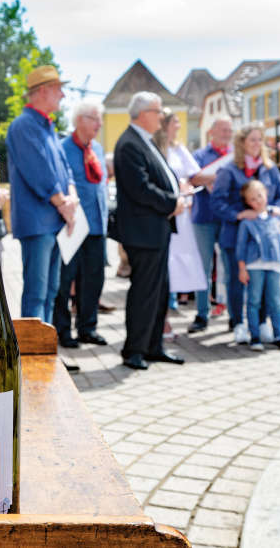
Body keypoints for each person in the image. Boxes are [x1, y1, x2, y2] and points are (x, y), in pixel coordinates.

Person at [113, 92, 184, 370]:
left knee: (159, 291)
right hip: (143, 231)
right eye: (158, 111)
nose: (162, 116)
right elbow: (140, 189)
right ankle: (134, 350)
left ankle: (154, 346)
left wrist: (177, 195)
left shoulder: (144, 141)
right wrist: (172, 202)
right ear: (144, 114)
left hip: (156, 229)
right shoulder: (130, 144)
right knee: (144, 292)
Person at [6, 65, 77, 323]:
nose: (63, 95)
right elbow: (39, 172)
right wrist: (63, 203)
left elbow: (64, 168)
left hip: (53, 221)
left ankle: (45, 352)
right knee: (37, 294)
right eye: (59, 89)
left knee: (50, 292)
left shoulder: (46, 126)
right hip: (38, 224)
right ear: (43, 91)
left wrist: (71, 197)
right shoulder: (24, 125)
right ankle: (32, 354)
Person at [212, 123, 280, 344]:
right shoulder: (228, 170)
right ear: (242, 143)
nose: (257, 144)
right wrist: (240, 214)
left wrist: (275, 210)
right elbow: (217, 202)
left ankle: (262, 323)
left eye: (259, 140)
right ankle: (238, 323)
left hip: (265, 238)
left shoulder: (270, 168)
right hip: (235, 236)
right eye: (252, 140)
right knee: (237, 281)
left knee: (263, 282)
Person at [53, 101, 109, 348]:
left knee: (93, 280)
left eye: (100, 119)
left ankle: (88, 327)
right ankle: (62, 331)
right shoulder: (63, 148)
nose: (99, 124)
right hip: (73, 226)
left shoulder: (96, 147)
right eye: (94, 118)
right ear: (79, 120)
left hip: (97, 226)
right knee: (65, 282)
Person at [153, 109, 210, 334]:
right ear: (165, 124)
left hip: (181, 216)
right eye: (175, 121)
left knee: (175, 266)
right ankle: (161, 320)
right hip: (162, 213)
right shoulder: (154, 148)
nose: (179, 125)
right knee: (162, 265)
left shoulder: (179, 149)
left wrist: (221, 173)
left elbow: (195, 175)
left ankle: (166, 313)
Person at [236, 180, 280, 352]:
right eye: (253, 199)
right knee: (254, 300)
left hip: (275, 264)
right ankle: (255, 336)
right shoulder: (247, 222)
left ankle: (279, 335)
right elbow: (241, 246)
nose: (258, 201)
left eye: (260, 196)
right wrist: (242, 268)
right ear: (248, 202)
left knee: (275, 301)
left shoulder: (277, 218)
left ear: (266, 194)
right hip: (254, 265)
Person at [188, 115, 232, 333]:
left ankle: (233, 314)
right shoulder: (199, 155)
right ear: (212, 132)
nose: (226, 134)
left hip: (228, 219)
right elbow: (193, 178)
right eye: (222, 130)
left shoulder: (235, 155)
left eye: (229, 130)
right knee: (203, 268)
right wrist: (214, 179)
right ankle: (201, 313)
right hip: (203, 218)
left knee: (230, 267)